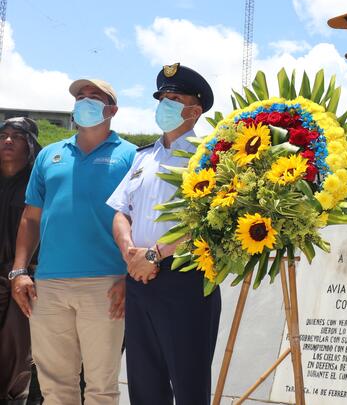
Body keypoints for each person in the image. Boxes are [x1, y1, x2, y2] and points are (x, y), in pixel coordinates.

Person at [10, 79, 136, 405]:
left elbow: (141, 221)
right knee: (55, 387)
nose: (85, 101)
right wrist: (19, 271)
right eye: (81, 97)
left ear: (112, 110)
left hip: (106, 284)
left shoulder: (132, 157)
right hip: (49, 285)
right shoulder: (50, 156)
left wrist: (128, 276)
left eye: (95, 97)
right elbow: (31, 217)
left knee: (101, 387)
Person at [107, 63, 220, 405]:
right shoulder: (144, 156)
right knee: (144, 384)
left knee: (188, 385)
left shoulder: (211, 157)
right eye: (161, 97)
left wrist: (153, 254)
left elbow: (206, 218)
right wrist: (130, 253)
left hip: (185, 280)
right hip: (139, 279)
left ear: (194, 110)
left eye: (173, 97)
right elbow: (120, 212)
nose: (164, 104)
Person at [0, 118, 41, 405]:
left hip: (23, 276)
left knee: (16, 353)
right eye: (3, 135)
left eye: (17, 136)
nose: (8, 141)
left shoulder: (38, 183)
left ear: (31, 145)